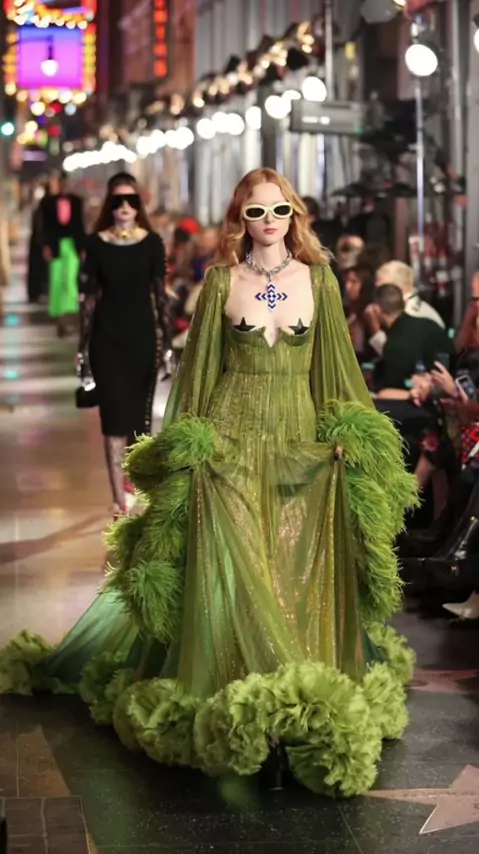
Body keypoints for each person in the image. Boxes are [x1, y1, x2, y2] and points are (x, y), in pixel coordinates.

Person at [0, 169, 417, 798]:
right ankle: (240, 687)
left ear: (294, 214)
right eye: (256, 212)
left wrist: (343, 434)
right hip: (230, 440)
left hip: (299, 443)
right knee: (238, 559)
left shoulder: (321, 281)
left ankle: (293, 692)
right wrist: (189, 448)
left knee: (288, 562)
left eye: (279, 210)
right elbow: (198, 375)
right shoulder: (222, 281)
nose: (269, 221)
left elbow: (336, 369)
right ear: (238, 218)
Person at [77, 172, 171, 517]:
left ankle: (134, 484)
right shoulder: (96, 244)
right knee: (114, 419)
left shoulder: (152, 243)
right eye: (118, 200)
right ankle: (119, 499)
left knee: (139, 422)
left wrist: (167, 341)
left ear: (139, 204)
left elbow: (160, 295)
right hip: (107, 341)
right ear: (109, 204)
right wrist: (82, 349)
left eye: (131, 200)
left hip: (142, 340)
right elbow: (88, 299)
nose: (125, 207)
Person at [373, 285, 452, 393]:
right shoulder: (430, 324)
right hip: (453, 388)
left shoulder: (394, 345)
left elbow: (388, 388)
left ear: (376, 310)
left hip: (424, 398)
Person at [366, 260, 445, 357]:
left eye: (383, 290)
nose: (377, 297)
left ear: (402, 290)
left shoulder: (414, 315)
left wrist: (375, 331)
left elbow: (398, 357)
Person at [42, 172, 86, 336]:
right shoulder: (48, 203)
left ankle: (70, 313)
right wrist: (46, 246)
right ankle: (59, 313)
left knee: (71, 278)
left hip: (72, 245)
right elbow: (45, 227)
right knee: (56, 279)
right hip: (56, 245)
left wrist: (83, 247)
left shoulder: (77, 201)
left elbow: (80, 225)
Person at [343, 260, 376, 361]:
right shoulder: (345, 311)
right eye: (346, 282)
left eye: (354, 282)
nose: (347, 287)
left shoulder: (372, 312)